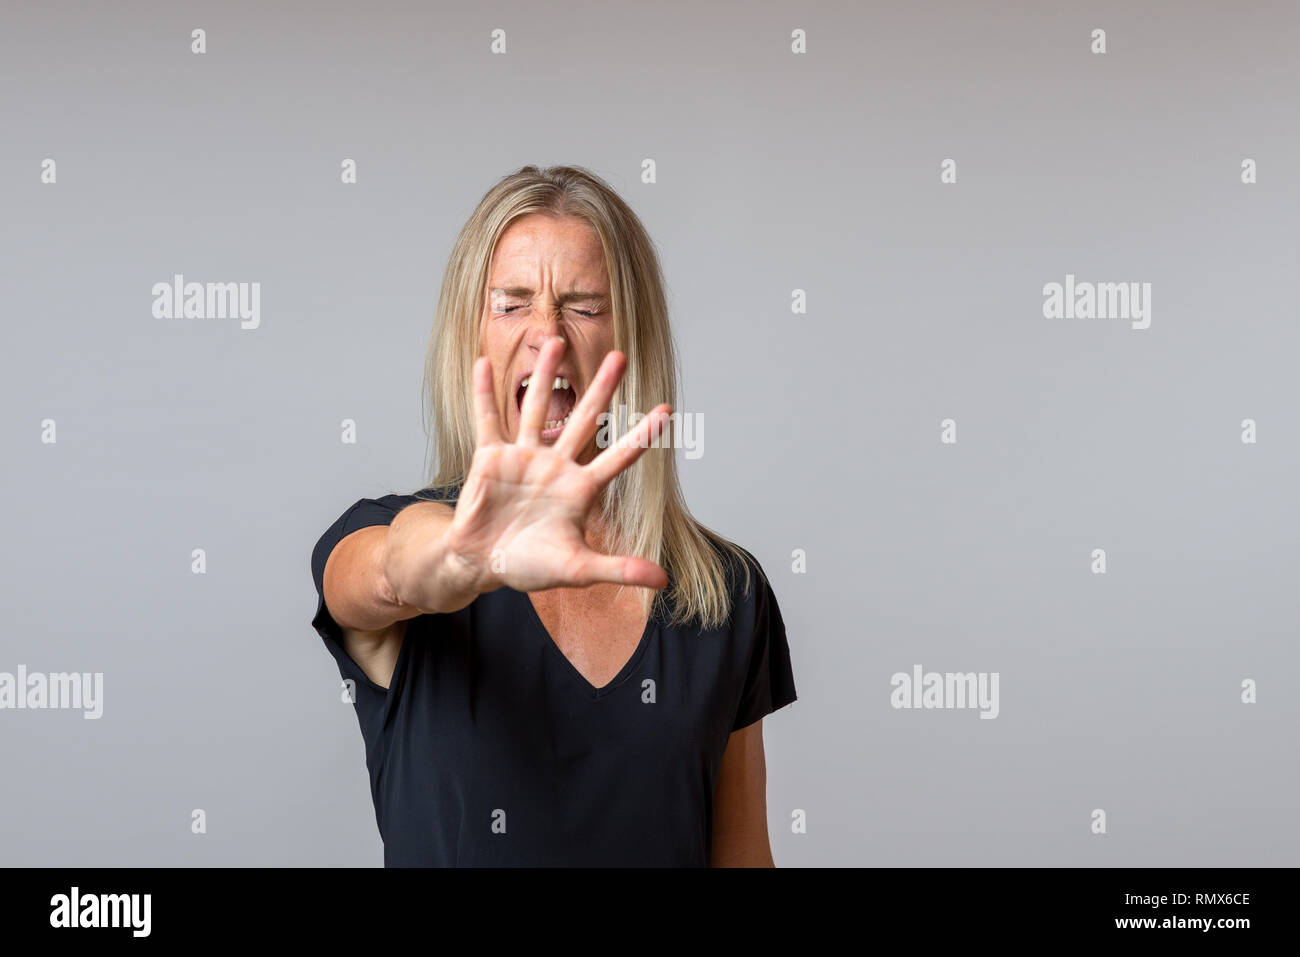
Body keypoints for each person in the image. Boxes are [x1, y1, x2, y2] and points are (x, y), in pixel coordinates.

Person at [309, 164, 797, 866]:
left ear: (634, 342)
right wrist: (455, 559)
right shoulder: (389, 538)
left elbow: (743, 855)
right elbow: (382, 572)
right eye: (510, 304)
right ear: (470, 338)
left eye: (585, 305)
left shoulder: (726, 592)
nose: (550, 336)